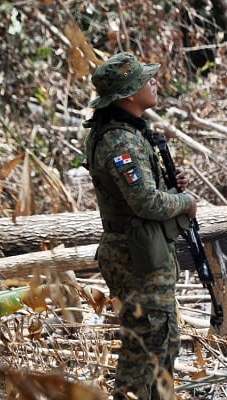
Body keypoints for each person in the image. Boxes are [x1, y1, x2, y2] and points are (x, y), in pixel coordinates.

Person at [82, 52, 197, 400]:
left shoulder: (131, 133)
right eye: (146, 80)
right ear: (129, 94)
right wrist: (186, 202)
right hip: (135, 259)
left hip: (147, 255)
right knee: (143, 354)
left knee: (165, 344)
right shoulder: (120, 141)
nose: (153, 82)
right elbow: (144, 202)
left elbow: (145, 191)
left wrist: (170, 183)